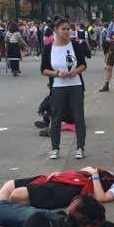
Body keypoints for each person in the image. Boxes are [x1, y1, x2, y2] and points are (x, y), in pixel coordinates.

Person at [0, 166, 114, 215]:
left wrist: (94, 175)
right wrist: (63, 174)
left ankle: (1, 212)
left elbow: (101, 197)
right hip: (68, 180)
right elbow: (85, 173)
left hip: (69, 190)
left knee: (16, 195)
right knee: (11, 184)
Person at [41, 16, 89, 160]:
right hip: (57, 86)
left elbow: (83, 65)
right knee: (56, 118)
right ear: (55, 30)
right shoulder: (49, 48)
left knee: (78, 117)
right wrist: (57, 74)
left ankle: (80, 147)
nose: (67, 31)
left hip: (75, 86)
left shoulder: (75, 45)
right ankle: (55, 148)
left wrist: (75, 71)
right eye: (63, 29)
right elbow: (43, 69)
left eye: (68, 29)